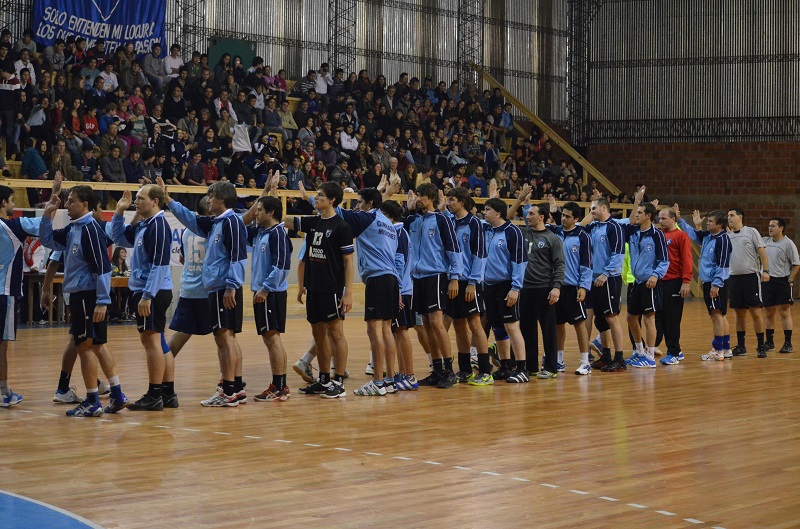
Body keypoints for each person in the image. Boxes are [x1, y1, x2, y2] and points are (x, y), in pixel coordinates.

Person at [39, 178, 128, 416]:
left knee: (85, 347)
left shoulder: (89, 230)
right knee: (98, 345)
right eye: (67, 201)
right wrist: (48, 214)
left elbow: (102, 267)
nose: (67, 205)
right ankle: (117, 395)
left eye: (71, 201)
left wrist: (102, 301)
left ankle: (92, 401)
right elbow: (47, 240)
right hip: (83, 295)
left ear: (85, 204)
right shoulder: (73, 228)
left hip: (88, 296)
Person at [160, 178, 249, 407]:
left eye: (211, 196)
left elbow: (238, 256)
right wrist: (169, 200)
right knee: (224, 337)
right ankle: (234, 390)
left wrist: (231, 286)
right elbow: (190, 219)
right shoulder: (216, 223)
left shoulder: (231, 222)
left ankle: (228, 391)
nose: (208, 200)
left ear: (221, 199)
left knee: (224, 338)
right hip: (217, 288)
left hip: (224, 289)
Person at [285, 182, 354, 399]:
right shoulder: (314, 222)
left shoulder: (342, 227)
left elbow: (349, 263)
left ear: (332, 200)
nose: (317, 197)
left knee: (336, 333)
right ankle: (323, 380)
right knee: (318, 333)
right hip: (313, 288)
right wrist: (272, 195)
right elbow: (286, 220)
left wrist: (348, 292)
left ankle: (339, 381)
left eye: (321, 195)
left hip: (332, 288)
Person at [110, 186, 174, 411]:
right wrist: (119, 212)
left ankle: (154, 395)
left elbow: (160, 264)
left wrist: (147, 295)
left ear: (155, 201)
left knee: (151, 342)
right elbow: (117, 237)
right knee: (159, 341)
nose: (136, 202)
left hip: (152, 292)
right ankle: (168, 393)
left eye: (140, 198)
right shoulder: (145, 224)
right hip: (150, 290)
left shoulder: (157, 226)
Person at [406, 183, 462, 388]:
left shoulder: (442, 220)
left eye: (421, 195)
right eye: (417, 194)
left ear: (430, 198)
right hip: (418, 277)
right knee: (426, 324)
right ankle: (437, 369)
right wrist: (408, 209)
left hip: (436, 275)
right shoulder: (414, 220)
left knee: (437, 322)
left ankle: (449, 370)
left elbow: (453, 248)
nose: (417, 198)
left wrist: (455, 277)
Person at [244, 187, 293, 402]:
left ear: (271, 213)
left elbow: (281, 266)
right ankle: (280, 385)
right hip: (263, 291)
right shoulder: (260, 233)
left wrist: (264, 289)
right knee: (270, 338)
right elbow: (241, 225)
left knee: (272, 338)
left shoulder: (278, 234)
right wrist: (263, 194)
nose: (256, 213)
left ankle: (279, 386)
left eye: (261, 209)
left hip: (270, 293)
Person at [0, 184, 46, 407]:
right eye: (11, 200)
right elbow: (45, 222)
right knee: (2, 345)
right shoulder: (13, 226)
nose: (14, 204)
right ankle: (3, 392)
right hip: (5, 292)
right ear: (3, 204)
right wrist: (54, 199)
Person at [444, 187, 491, 385]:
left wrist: (473, 282)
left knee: (474, 322)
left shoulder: (474, 223)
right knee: (458, 323)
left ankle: (485, 370)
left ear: (463, 201)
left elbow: (480, 254)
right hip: (453, 280)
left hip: (469, 281)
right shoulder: (450, 222)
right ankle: (465, 370)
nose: (448, 203)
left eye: (452, 199)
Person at [677, 208, 733, 361]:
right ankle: (726, 349)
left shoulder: (723, 240)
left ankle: (718, 349)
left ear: (720, 224)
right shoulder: (710, 237)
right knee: (720, 315)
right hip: (711, 281)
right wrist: (680, 220)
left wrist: (716, 284)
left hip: (716, 282)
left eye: (710, 221)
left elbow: (723, 265)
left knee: (716, 315)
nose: (707, 223)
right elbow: (694, 235)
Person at [546, 198, 593, 375]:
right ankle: (559, 360)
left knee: (579, 324)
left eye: (567, 216)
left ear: (576, 219)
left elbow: (587, 263)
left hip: (574, 287)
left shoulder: (583, 237)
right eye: (562, 215)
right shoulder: (555, 232)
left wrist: (583, 286)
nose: (563, 219)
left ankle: (585, 361)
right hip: (556, 286)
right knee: (557, 324)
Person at [622, 201, 669, 369]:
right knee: (631, 318)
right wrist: (636, 201)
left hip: (650, 282)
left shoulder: (657, 235)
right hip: (637, 281)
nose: (637, 215)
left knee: (649, 318)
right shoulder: (633, 232)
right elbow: (626, 223)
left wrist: (656, 275)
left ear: (648, 216)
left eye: (640, 213)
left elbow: (664, 260)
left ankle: (649, 356)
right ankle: (639, 351)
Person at [166, 196, 213, 362]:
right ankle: (228, 380)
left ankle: (163, 372)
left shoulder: (186, 231)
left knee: (181, 334)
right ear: (209, 209)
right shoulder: (213, 229)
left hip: (188, 289)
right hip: (207, 292)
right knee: (225, 337)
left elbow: (181, 259)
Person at [585, 197, 627, 372]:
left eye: (593, 208)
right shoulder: (594, 227)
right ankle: (606, 355)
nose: (591, 212)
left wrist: (605, 273)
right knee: (601, 320)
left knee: (611, 317)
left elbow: (618, 254)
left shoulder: (614, 227)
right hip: (594, 278)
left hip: (608, 278)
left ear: (604, 208)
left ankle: (619, 358)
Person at [380, 199, 419, 390]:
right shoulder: (395, 232)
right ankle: (403, 373)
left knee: (402, 332)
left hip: (401, 290)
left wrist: (398, 291)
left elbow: (399, 263)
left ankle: (410, 375)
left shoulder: (399, 233)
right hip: (399, 289)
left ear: (388, 215)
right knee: (397, 332)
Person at [727, 208, 769, 358]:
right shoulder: (727, 235)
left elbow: (762, 252)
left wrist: (766, 271)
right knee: (739, 313)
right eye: (728, 216)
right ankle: (741, 346)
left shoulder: (751, 232)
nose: (729, 218)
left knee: (756, 312)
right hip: (734, 278)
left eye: (732, 215)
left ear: (740, 217)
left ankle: (761, 346)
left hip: (751, 277)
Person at [656, 206, 693, 365]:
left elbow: (687, 259)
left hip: (675, 281)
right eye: (659, 218)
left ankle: (673, 352)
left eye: (664, 218)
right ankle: (675, 350)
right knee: (660, 319)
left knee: (672, 319)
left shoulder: (680, 236)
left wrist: (686, 281)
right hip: (659, 281)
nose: (660, 221)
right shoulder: (658, 235)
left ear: (673, 219)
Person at [762, 217, 800, 354]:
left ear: (781, 228)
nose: (770, 228)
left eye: (773, 226)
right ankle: (769, 342)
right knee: (768, 313)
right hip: (767, 281)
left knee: (784, 312)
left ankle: (788, 343)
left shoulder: (788, 244)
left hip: (782, 281)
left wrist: (790, 280)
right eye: (769, 225)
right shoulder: (765, 242)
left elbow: (796, 264)